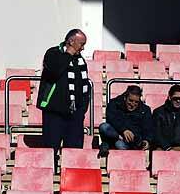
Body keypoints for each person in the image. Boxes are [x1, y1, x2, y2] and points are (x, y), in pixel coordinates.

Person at [37, 29, 91, 163]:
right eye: (81, 44)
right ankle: (50, 176)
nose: (83, 48)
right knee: (50, 148)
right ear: (71, 42)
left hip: (75, 113)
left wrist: (82, 108)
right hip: (54, 111)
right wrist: (69, 54)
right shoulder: (53, 53)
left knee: (74, 150)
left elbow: (84, 84)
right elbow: (55, 71)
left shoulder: (80, 60)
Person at [99, 85, 153, 153]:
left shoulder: (145, 110)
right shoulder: (114, 104)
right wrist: (123, 130)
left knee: (119, 144)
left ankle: (108, 145)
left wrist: (147, 140)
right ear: (125, 97)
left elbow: (148, 127)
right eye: (130, 100)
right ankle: (111, 142)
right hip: (116, 133)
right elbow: (111, 119)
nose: (133, 104)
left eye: (136, 102)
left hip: (132, 141)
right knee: (104, 127)